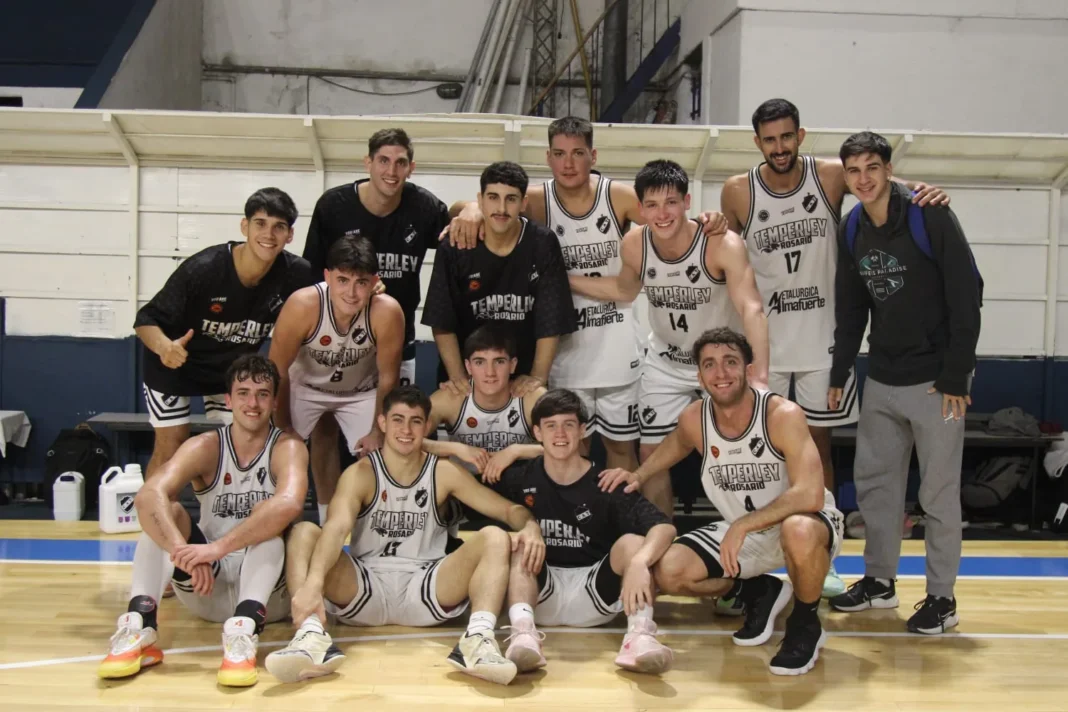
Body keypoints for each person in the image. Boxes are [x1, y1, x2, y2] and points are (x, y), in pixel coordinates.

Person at [719, 98, 949, 598]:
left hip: (825, 339)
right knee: (756, 454)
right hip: (767, 346)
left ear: (801, 136)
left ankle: (821, 559)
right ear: (757, 142)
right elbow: (724, 253)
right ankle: (750, 564)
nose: (779, 147)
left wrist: (921, 192)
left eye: (787, 137)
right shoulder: (738, 191)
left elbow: (879, 184)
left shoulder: (829, 176)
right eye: (769, 139)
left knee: (816, 454)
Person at [447, 116, 729, 471]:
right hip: (564, 349)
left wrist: (709, 218)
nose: (568, 163)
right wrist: (469, 209)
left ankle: (623, 522)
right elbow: (479, 209)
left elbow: (669, 222)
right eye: (560, 154)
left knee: (621, 451)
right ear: (548, 157)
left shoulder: (618, 195)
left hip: (617, 346)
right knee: (570, 451)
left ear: (592, 156)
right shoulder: (536, 199)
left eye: (578, 153)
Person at [264, 385, 546, 687]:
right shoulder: (361, 473)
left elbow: (508, 510)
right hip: (365, 586)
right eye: (398, 419)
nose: (406, 429)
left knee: (494, 537)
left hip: (425, 586)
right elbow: (336, 528)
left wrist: (530, 526)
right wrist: (314, 585)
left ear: (426, 426)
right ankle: (310, 637)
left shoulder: (443, 472)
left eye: (415, 421)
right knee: (305, 531)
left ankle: (477, 640)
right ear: (383, 423)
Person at [600, 327, 844, 676]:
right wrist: (638, 475)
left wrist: (744, 524)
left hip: (806, 522)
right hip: (742, 531)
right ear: (699, 375)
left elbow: (810, 494)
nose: (721, 373)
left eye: (730, 362)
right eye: (710, 365)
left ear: (747, 368)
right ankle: (760, 590)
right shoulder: (695, 418)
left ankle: (805, 624)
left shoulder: (781, 414)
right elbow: (675, 445)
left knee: (798, 529)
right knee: (670, 570)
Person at [826, 131, 981, 635]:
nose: (863, 178)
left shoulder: (928, 214)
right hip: (883, 376)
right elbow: (852, 308)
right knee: (877, 489)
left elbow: (968, 294)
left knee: (937, 495)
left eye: (873, 167)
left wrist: (957, 372)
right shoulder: (852, 227)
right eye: (854, 170)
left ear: (888, 170)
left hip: (938, 380)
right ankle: (879, 582)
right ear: (846, 177)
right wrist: (840, 370)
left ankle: (942, 598)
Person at [569, 159, 768, 516]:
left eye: (671, 202)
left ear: (687, 202)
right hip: (665, 360)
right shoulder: (634, 243)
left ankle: (755, 535)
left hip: (720, 363)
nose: (662, 214)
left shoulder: (720, 243)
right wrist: (565, 278)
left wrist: (760, 375)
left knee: (746, 453)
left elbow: (752, 307)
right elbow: (624, 289)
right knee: (651, 457)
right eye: (652, 205)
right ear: (641, 208)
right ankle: (661, 539)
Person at [97, 355, 309, 687]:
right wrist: (181, 550)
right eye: (242, 392)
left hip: (267, 591)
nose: (252, 402)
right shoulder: (204, 446)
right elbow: (148, 495)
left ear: (274, 401)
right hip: (205, 583)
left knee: (268, 524)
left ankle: (244, 633)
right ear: (228, 400)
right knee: (166, 514)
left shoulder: (289, 447)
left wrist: (216, 549)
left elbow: (288, 503)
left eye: (262, 393)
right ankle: (138, 625)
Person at [300, 128, 451, 522]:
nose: (392, 169)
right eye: (383, 160)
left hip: (394, 342)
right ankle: (328, 517)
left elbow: (460, 224)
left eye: (401, 162)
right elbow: (311, 273)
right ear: (368, 163)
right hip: (337, 339)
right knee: (326, 428)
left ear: (411, 167)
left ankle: (387, 517)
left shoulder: (424, 207)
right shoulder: (333, 206)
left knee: (395, 431)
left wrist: (468, 210)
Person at [134, 188, 314, 481]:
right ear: (244, 226)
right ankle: (151, 523)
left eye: (279, 227)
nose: (269, 234)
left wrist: (373, 288)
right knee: (172, 444)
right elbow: (145, 319)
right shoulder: (204, 269)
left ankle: (220, 522)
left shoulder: (297, 273)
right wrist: (165, 347)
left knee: (240, 445)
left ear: (290, 235)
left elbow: (336, 289)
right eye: (260, 223)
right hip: (174, 364)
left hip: (228, 372)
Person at [497, 389, 676, 675]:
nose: (560, 433)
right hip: (540, 591)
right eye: (551, 425)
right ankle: (523, 633)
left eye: (568, 425)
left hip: (595, 592)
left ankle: (640, 637)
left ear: (582, 430)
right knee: (519, 541)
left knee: (634, 543)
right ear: (537, 432)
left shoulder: (606, 481)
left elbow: (664, 527)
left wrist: (641, 562)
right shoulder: (520, 477)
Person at [268, 235, 405, 522]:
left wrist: (378, 432)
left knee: (386, 455)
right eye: (343, 280)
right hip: (303, 388)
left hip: (361, 391)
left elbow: (389, 377)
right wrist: (283, 428)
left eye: (361, 282)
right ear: (327, 276)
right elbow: (277, 371)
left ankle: (376, 531)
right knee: (279, 452)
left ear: (374, 281)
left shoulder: (387, 311)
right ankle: (286, 525)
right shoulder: (303, 305)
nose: (352, 293)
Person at [421, 161, 576, 396]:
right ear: (480, 200)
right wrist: (458, 378)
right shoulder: (456, 243)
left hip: (521, 378)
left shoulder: (542, 243)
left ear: (524, 203)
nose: (501, 208)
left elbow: (550, 321)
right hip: (466, 376)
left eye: (511, 199)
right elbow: (441, 320)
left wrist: (537, 377)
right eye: (493, 197)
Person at [423, 325, 544, 486]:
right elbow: (406, 439)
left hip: (522, 486)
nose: (490, 372)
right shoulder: (452, 398)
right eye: (480, 362)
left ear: (513, 365)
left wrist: (515, 451)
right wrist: (456, 449)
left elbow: (567, 446)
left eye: (499, 361)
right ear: (468, 367)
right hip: (465, 488)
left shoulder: (531, 397)